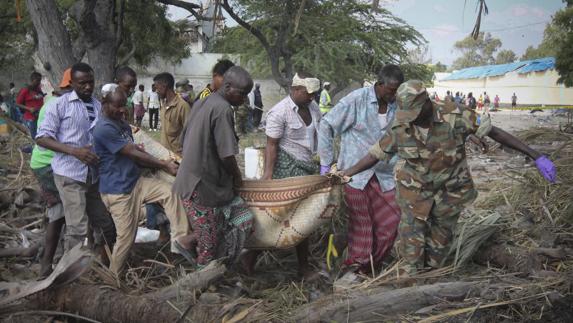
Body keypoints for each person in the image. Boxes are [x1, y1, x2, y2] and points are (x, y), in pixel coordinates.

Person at [341, 80, 557, 275]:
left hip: (450, 193)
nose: (412, 118)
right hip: (414, 193)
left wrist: (535, 155)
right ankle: (409, 279)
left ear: (427, 102)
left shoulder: (456, 114)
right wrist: (347, 173)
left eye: (415, 111)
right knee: (411, 245)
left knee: (439, 247)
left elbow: (495, 132)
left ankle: (431, 278)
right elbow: (375, 154)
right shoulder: (401, 125)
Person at [93, 88, 196, 274]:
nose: (122, 110)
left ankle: (179, 242)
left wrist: (161, 162)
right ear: (105, 105)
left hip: (136, 183)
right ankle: (112, 277)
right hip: (118, 192)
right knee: (126, 239)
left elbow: (137, 151)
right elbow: (131, 152)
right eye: (117, 106)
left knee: (170, 192)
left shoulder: (122, 124)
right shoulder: (103, 128)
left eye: (124, 105)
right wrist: (164, 164)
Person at [318, 64, 403, 274]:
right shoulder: (357, 99)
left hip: (384, 175)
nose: (394, 95)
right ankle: (355, 269)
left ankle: (372, 266)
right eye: (391, 90)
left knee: (392, 220)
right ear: (380, 84)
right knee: (362, 225)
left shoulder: (397, 106)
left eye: (397, 91)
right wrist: (326, 164)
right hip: (354, 175)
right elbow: (326, 124)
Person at [173, 66, 254, 267]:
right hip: (200, 187)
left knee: (243, 218)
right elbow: (227, 154)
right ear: (227, 87)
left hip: (205, 182)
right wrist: (237, 177)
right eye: (242, 94)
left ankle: (191, 242)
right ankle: (202, 285)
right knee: (209, 247)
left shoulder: (202, 101)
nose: (244, 99)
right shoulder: (222, 108)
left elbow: (184, 141)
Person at [244, 73, 322, 279]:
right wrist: (268, 176)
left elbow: (317, 137)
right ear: (296, 90)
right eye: (308, 93)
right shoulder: (279, 112)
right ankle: (249, 262)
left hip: (306, 168)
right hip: (285, 169)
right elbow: (271, 145)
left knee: (304, 218)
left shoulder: (313, 108)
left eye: (314, 94)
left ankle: (303, 266)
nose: (312, 98)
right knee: (274, 217)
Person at [36, 62, 116, 258]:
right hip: (69, 175)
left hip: (92, 177)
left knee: (105, 225)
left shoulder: (97, 106)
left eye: (90, 82)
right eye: (82, 83)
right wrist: (74, 151)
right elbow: (41, 138)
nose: (87, 87)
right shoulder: (59, 105)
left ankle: (102, 265)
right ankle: (72, 275)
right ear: (71, 83)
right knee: (78, 228)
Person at [30, 68, 72, 277]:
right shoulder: (58, 105)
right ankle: (47, 266)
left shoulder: (55, 103)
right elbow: (48, 139)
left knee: (63, 213)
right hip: (48, 164)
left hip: (52, 163)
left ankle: (55, 258)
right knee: (59, 214)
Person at [154, 72, 190, 154]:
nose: (156, 91)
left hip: (177, 157)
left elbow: (191, 133)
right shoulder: (163, 104)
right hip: (165, 155)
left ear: (164, 85)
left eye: (157, 88)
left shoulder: (182, 106)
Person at [16, 72, 44, 139]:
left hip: (40, 115)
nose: (39, 82)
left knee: (42, 135)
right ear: (32, 80)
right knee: (35, 137)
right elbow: (17, 103)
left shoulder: (38, 89)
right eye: (37, 80)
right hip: (31, 118)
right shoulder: (25, 90)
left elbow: (41, 96)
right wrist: (29, 109)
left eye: (40, 80)